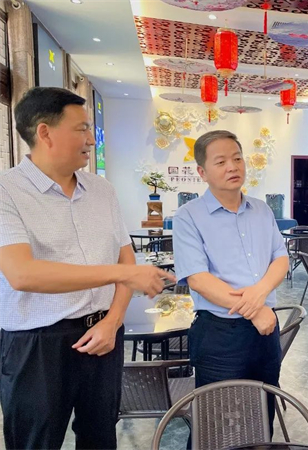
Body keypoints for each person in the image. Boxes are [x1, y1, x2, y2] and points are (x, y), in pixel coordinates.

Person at [0, 87, 175, 450]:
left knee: (100, 437)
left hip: (104, 334)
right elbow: (22, 274)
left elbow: (125, 258)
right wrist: (122, 275)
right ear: (45, 132)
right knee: (35, 441)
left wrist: (113, 321)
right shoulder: (7, 191)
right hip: (37, 344)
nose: (91, 140)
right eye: (81, 129)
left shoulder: (101, 190)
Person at [173, 130, 289, 436]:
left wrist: (260, 295)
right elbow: (199, 279)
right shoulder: (188, 216)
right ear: (202, 172)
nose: (232, 167)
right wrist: (256, 309)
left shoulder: (262, 210)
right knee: (216, 424)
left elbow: (281, 258)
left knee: (261, 417)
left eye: (237, 158)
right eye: (221, 161)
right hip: (220, 334)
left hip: (265, 330)